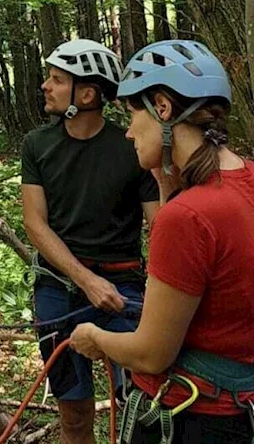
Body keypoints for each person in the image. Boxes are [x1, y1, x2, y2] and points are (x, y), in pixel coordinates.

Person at [69, 39, 254, 443]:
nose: (129, 132)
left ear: (163, 108)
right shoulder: (245, 180)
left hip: (190, 419)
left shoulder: (188, 217)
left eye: (133, 114)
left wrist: (94, 338)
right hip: (241, 412)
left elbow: (152, 354)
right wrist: (168, 186)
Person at [22, 38, 162, 444]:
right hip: (58, 291)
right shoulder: (38, 145)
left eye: (56, 80)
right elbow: (35, 224)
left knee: (139, 405)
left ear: (87, 93)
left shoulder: (132, 145)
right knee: (74, 414)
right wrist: (87, 281)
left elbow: (161, 224)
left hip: (125, 291)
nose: (46, 86)